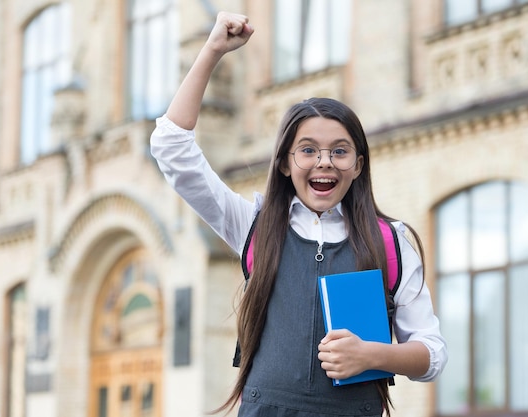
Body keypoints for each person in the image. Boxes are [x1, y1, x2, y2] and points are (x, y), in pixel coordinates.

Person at [150, 11, 447, 417]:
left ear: (358, 165)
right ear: (286, 164)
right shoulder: (253, 224)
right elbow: (171, 149)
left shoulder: (390, 242)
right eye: (307, 150)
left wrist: (371, 354)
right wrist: (212, 50)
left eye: (340, 151)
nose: (324, 163)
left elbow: (431, 355)